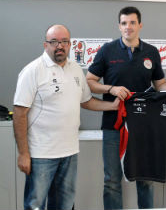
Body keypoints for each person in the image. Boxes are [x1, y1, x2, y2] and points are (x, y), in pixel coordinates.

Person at [13, 24, 119, 210]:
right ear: (46, 45)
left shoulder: (75, 69)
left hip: (69, 153)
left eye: (64, 41)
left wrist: (112, 106)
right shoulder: (33, 71)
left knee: (64, 204)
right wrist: (23, 153)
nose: (59, 45)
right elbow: (20, 113)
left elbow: (86, 101)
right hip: (41, 154)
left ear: (70, 45)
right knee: (34, 205)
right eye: (54, 41)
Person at [86, 6, 166, 209]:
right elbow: (89, 81)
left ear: (140, 25)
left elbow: (160, 84)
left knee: (145, 179)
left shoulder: (151, 52)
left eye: (132, 22)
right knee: (112, 181)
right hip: (113, 126)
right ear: (119, 26)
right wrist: (111, 89)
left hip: (144, 126)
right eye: (124, 23)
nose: (128, 27)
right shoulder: (107, 50)